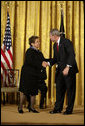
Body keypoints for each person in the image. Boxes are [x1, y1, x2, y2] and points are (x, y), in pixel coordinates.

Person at [46, 29, 78, 115]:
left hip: (69, 70)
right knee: (59, 89)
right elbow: (56, 59)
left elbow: (72, 54)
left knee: (70, 90)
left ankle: (69, 110)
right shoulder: (54, 45)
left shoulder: (66, 42)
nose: (49, 38)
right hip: (60, 70)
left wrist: (67, 67)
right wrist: (48, 63)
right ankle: (57, 108)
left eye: (50, 36)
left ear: (54, 36)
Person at [18, 36, 47, 113]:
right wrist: (41, 63)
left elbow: (43, 60)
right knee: (24, 91)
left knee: (34, 91)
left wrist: (51, 61)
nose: (39, 43)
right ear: (32, 43)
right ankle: (20, 107)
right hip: (27, 74)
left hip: (35, 74)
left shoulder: (39, 52)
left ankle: (32, 108)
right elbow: (31, 61)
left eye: (39, 41)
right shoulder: (29, 51)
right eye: (37, 42)